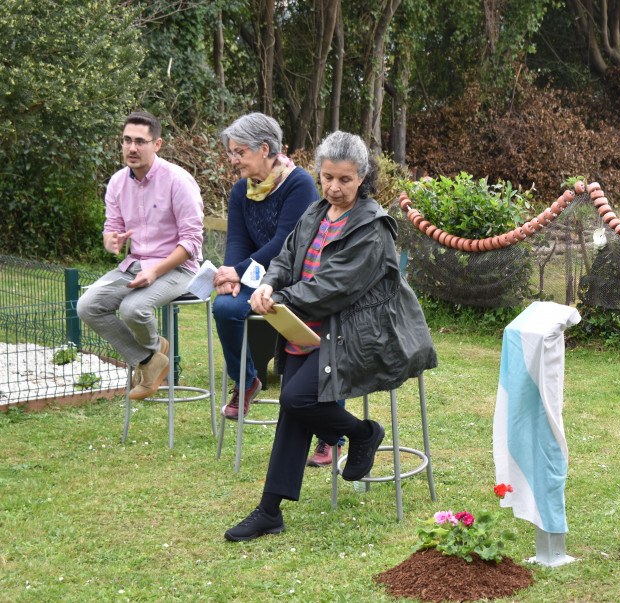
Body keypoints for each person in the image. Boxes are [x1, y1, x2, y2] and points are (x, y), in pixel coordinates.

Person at [224, 131, 438, 542]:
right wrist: (269, 284)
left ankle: (363, 434)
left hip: (355, 336)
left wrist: (279, 296)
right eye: (327, 178)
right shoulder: (315, 212)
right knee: (294, 406)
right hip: (304, 325)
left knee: (295, 398)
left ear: (362, 178)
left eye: (345, 179)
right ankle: (270, 510)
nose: (334, 188)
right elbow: (285, 257)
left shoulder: (373, 228)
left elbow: (333, 288)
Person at [77, 111, 203, 400]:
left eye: (140, 142)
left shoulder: (178, 181)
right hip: (134, 265)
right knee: (87, 306)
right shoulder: (117, 182)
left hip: (179, 267)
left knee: (133, 309)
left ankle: (149, 358)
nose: (132, 148)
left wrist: (156, 271)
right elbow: (112, 229)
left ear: (156, 144)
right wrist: (111, 241)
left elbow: (192, 242)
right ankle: (149, 358)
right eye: (126, 141)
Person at [213, 113, 318, 420]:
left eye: (239, 152)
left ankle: (323, 423)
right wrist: (230, 275)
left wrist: (239, 269)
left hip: (294, 276)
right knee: (224, 308)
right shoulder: (240, 191)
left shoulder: (299, 184)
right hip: (257, 274)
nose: (233, 160)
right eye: (231, 152)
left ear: (263, 148)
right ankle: (247, 382)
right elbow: (236, 241)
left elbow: (286, 244)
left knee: (316, 330)